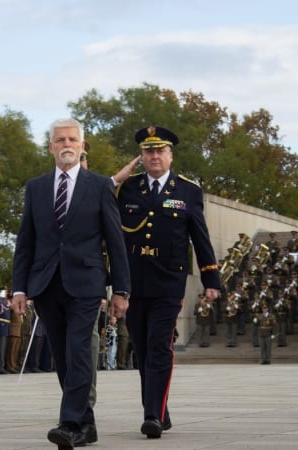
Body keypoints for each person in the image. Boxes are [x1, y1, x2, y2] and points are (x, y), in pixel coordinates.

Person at [11, 118, 130, 448]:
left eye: (72, 139)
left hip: (86, 283)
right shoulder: (35, 188)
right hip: (46, 284)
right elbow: (26, 242)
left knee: (79, 349)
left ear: (81, 145)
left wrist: (121, 290)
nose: (66, 144)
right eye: (59, 139)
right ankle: (86, 423)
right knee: (62, 355)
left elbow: (115, 241)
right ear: (50, 147)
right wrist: (19, 288)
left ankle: (70, 422)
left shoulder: (100, 186)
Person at [116, 125, 221, 439]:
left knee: (160, 346)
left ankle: (152, 415)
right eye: (148, 151)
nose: (154, 156)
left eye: (160, 151)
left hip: (168, 282)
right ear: (142, 156)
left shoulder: (187, 190)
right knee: (142, 349)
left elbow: (199, 237)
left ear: (170, 155)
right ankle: (160, 406)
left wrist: (210, 277)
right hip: (133, 282)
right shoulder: (127, 188)